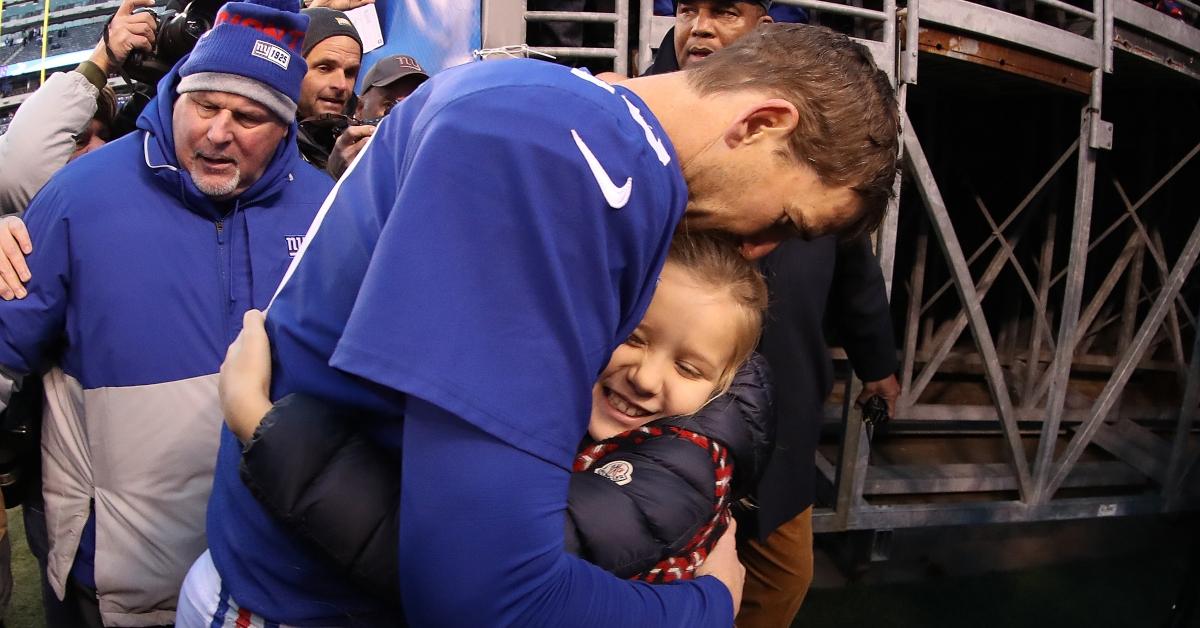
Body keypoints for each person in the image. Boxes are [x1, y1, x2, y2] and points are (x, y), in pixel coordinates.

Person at [188, 22, 900, 627]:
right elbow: (488, 597)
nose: (761, 248)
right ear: (763, 124)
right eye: (785, 218)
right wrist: (707, 605)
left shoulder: (551, 106)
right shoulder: (567, 156)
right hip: (305, 602)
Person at [199, 233, 773, 600]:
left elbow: (473, 569)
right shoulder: (585, 402)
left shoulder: (681, 470)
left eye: (690, 369)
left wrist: (259, 421)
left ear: (724, 383)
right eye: (635, 337)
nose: (648, 378)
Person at [0, 0, 330, 623]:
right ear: (177, 95)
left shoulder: (327, 213)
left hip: (258, 583)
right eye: (205, 105)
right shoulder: (78, 196)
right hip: (111, 583)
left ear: (286, 126)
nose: (217, 132)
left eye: (249, 116)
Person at [325, 53, 429, 178]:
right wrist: (338, 177)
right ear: (359, 108)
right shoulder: (314, 164)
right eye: (390, 107)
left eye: (416, 108)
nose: (403, 119)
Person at [294, 6, 362, 170]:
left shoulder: (362, 141)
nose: (341, 85)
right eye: (325, 68)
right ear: (292, 68)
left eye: (350, 72)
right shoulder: (262, 140)